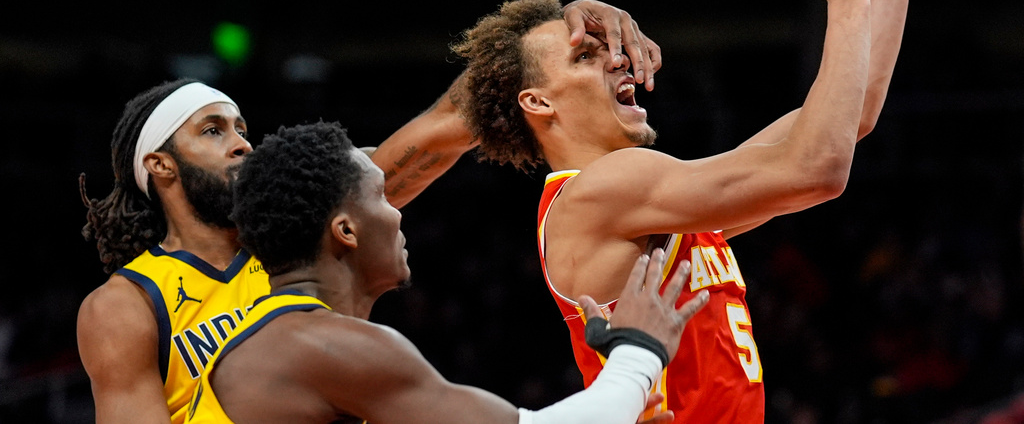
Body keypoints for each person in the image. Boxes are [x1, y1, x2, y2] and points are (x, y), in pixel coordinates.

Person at [450, 0, 922, 422]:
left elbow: (848, 118)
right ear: (538, 103)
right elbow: (820, 169)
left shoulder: (654, 203)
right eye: (587, 57)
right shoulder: (603, 191)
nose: (619, 61)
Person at [75, 0, 662, 424]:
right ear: (161, 166)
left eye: (242, 127)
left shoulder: (298, 228)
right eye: (213, 131)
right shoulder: (126, 305)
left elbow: (443, 130)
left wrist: (558, 31)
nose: (241, 144)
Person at [185, 120, 709, 424]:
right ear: (345, 231)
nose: (397, 212)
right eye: (380, 197)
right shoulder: (325, 347)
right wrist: (639, 352)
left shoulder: (291, 339)